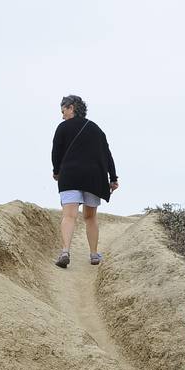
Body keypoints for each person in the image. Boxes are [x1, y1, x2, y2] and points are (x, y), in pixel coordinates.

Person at [51, 95, 118, 268]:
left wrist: (56, 171)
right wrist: (113, 178)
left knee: (69, 215)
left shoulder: (63, 127)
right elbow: (107, 154)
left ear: (71, 108)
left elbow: (56, 152)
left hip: (70, 176)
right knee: (90, 217)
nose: (62, 115)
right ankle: (94, 254)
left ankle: (65, 251)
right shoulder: (95, 129)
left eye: (63, 111)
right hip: (93, 178)